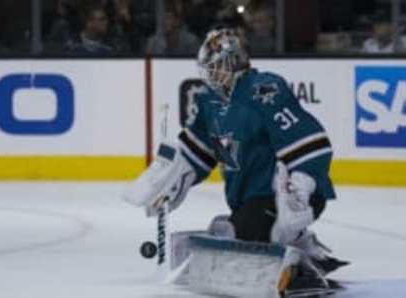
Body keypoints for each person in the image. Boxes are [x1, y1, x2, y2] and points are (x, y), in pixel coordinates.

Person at [124, 27, 348, 293]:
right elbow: (196, 151)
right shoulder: (209, 101)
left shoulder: (264, 89)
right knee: (230, 233)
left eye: (214, 66)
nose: (209, 73)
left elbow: (310, 141)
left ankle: (302, 259)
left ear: (233, 62)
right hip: (250, 200)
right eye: (207, 67)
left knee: (246, 235)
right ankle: (296, 244)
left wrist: (301, 189)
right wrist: (170, 179)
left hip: (287, 196)